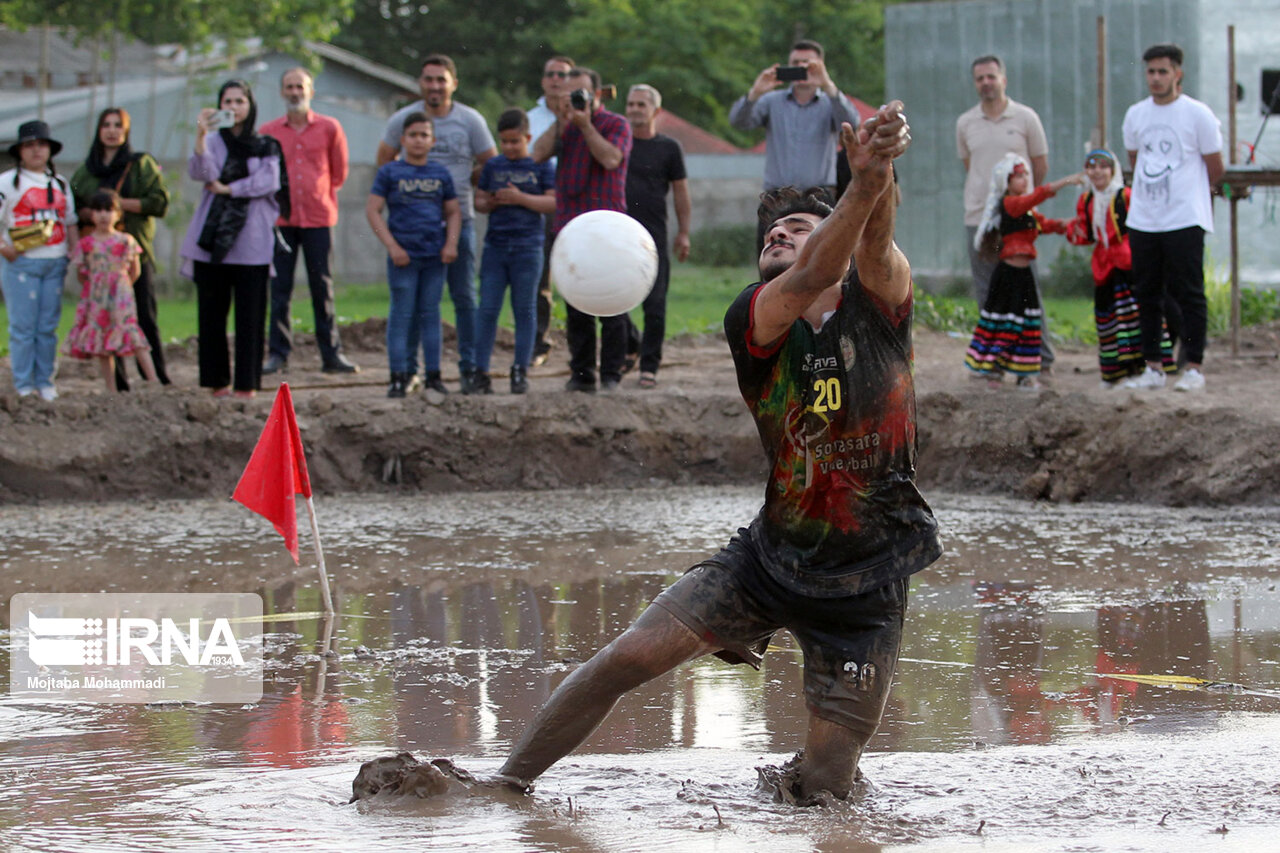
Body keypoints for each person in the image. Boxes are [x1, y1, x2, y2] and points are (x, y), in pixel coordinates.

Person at [489, 101, 937, 804]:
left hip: (870, 580)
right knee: (627, 656)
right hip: (769, 558)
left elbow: (873, 251)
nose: (778, 234)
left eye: (798, 225)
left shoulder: (880, 309)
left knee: (826, 786)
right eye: (772, 233)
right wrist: (863, 182)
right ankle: (503, 786)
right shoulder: (754, 314)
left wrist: (874, 175)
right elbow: (815, 269)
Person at [378, 54, 496, 394]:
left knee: (464, 296)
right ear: (420, 83)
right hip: (414, 230)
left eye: (441, 80)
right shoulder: (403, 119)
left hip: (460, 222)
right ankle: (408, 372)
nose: (434, 86)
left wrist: (466, 181)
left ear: (453, 84)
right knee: (413, 303)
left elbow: (491, 164)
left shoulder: (470, 120)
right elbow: (384, 162)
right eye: (428, 79)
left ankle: (469, 368)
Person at [1120, 43, 1225, 392]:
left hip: (1184, 217)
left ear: (1177, 74)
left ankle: (1193, 366)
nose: (1156, 78)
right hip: (1144, 219)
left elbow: (1215, 166)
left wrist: (1189, 192)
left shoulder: (1197, 114)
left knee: (1189, 292)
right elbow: (1136, 159)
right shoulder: (1136, 114)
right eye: (1151, 71)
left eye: (1163, 71)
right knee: (1147, 293)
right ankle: (1153, 366)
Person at [179, 78, 285, 399]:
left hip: (252, 240)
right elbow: (203, 173)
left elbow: (268, 181)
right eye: (228, 102)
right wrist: (200, 135)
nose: (234, 108)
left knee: (251, 316)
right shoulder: (212, 141)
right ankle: (217, 383)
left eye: (240, 101)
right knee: (211, 314)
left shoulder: (266, 145)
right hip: (212, 240)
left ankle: (246, 385)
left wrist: (230, 189)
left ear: (250, 106)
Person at [533, 66, 632, 393]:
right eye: (569, 93)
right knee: (577, 304)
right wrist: (561, 122)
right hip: (570, 225)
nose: (575, 99)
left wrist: (586, 124)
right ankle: (583, 373)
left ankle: (612, 373)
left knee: (613, 302)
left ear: (597, 94)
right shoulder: (563, 127)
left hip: (607, 227)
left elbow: (611, 159)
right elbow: (537, 154)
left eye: (580, 93)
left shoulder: (615, 124)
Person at [260, 68, 358, 376]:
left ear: (310, 91)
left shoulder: (330, 128)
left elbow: (338, 173)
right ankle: (278, 354)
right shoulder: (269, 131)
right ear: (282, 92)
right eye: (289, 87)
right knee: (279, 289)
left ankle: (331, 354)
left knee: (322, 287)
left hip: (318, 218)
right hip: (281, 219)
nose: (295, 92)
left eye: (300, 87)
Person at [71, 107, 172, 391]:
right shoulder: (86, 171)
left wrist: (117, 205)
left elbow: (159, 202)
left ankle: (157, 380)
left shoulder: (140, 164)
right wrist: (94, 213)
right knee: (105, 323)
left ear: (126, 131)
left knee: (143, 317)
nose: (112, 131)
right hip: (99, 260)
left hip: (131, 251)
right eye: (106, 125)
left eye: (118, 125)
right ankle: (118, 387)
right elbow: (74, 205)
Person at [963, 155, 1080, 389]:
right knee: (1005, 323)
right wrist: (1066, 182)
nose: (1024, 179)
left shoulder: (1028, 212)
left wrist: (1071, 223)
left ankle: (1024, 374)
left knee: (1027, 325)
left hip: (1024, 276)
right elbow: (1037, 196)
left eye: (1026, 174)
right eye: (1018, 175)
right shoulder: (1010, 204)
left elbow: (1046, 225)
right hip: (1008, 276)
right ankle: (994, 371)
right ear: (1006, 181)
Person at [366, 112, 461, 398]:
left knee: (431, 315)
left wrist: (451, 244)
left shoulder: (440, 174)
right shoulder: (389, 172)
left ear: (433, 141)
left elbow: (453, 211)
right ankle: (398, 376)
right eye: (413, 135)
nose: (418, 140)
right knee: (401, 316)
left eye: (424, 135)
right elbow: (373, 211)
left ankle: (433, 376)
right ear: (403, 139)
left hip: (434, 257)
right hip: (403, 258)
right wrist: (392, 247)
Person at [1065, 149, 1175, 387]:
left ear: (1112, 170)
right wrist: (1072, 231)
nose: (1097, 172)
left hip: (1128, 260)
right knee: (1109, 319)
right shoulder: (1086, 200)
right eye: (1091, 167)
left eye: (1103, 166)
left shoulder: (1126, 195)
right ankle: (1114, 373)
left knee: (1135, 316)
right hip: (1104, 265)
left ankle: (1144, 367)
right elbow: (1086, 234)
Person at [473, 109, 556, 394]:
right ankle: (480, 370)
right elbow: (479, 200)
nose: (509, 147)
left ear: (528, 138)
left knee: (524, 309)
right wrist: (490, 202)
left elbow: (552, 203)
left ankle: (520, 369)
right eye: (504, 142)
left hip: (528, 247)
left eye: (515, 142)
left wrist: (521, 198)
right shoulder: (493, 166)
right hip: (496, 247)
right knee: (488, 309)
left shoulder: (541, 166)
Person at [0, 120, 78, 401]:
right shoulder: (7, 183)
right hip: (21, 263)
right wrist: (4, 248)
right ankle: (23, 384)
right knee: (23, 327)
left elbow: (69, 221)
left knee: (47, 327)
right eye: (30, 145)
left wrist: (75, 254)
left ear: (50, 150)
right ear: (20, 151)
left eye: (41, 145)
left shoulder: (59, 184)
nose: (36, 151)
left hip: (54, 262)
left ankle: (45, 382)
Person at [623, 84, 692, 389]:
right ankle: (630, 345)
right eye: (631, 104)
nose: (635, 109)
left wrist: (684, 232)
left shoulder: (669, 148)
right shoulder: (617, 144)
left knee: (655, 305)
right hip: (618, 238)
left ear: (656, 111)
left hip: (653, 238)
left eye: (641, 104)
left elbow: (681, 192)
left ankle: (649, 366)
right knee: (614, 298)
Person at [728, 39, 861, 195]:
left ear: (821, 66)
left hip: (819, 194)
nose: (800, 67)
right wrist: (755, 93)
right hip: (778, 195)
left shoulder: (831, 102)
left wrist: (827, 85)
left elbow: (852, 123)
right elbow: (738, 122)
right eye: (795, 63)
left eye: (807, 63)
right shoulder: (771, 101)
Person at [62, 189, 158, 393]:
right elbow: (81, 274)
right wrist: (97, 285)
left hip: (121, 296)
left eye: (109, 210)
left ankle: (154, 383)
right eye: (98, 210)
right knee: (102, 343)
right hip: (96, 298)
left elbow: (135, 271)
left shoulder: (125, 241)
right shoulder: (86, 243)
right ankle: (111, 390)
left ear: (118, 214)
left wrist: (121, 285)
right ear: (91, 214)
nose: (104, 215)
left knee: (132, 334)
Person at [528, 55, 574, 365]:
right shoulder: (530, 118)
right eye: (551, 74)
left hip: (578, 204)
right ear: (543, 80)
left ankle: (586, 349)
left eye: (562, 75)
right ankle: (539, 343)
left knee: (584, 275)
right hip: (543, 204)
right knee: (539, 278)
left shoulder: (588, 116)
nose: (556, 80)